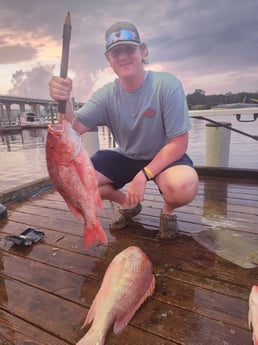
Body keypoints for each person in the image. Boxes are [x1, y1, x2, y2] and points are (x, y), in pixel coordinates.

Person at [49, 21, 199, 239]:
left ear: (142, 51)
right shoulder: (106, 94)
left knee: (183, 186)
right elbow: (74, 128)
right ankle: (127, 204)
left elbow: (178, 143)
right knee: (81, 185)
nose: (122, 56)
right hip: (127, 155)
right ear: (109, 60)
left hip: (163, 156)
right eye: (115, 52)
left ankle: (168, 213)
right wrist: (64, 99)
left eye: (129, 49)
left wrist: (144, 175)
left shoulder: (167, 85)